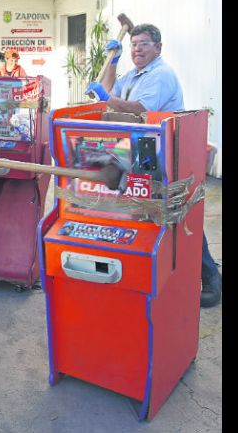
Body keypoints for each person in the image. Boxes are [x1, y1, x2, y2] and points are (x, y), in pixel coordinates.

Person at [86, 23, 221, 308]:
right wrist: (112, 61)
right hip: (142, 151)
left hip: (167, 153)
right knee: (150, 211)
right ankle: (156, 273)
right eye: (134, 44)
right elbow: (111, 89)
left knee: (177, 214)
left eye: (144, 44)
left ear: (158, 47)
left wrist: (106, 97)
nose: (137, 48)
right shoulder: (135, 73)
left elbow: (139, 109)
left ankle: (210, 277)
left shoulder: (160, 75)